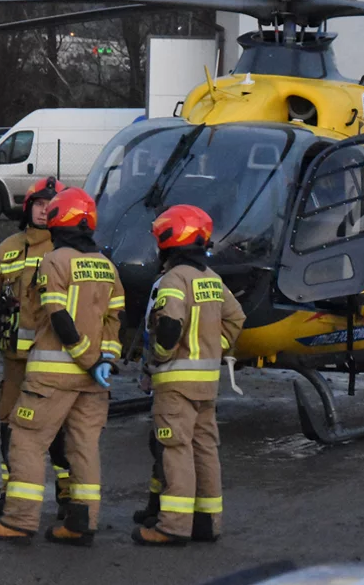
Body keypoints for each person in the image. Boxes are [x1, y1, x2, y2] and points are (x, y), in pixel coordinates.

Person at [0, 187, 125, 547]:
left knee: (26, 441)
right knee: (84, 448)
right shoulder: (107, 266)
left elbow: (57, 316)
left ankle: (19, 521)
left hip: (53, 375)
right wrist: (105, 362)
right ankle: (81, 522)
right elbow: (114, 321)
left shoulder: (54, 262)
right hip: (92, 382)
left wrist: (87, 358)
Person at [131, 204, 246, 546]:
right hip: (206, 383)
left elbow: (168, 328)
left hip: (176, 384)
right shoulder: (212, 279)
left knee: (175, 449)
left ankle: (173, 526)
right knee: (205, 449)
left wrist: (158, 359)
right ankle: (207, 523)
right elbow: (236, 318)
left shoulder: (173, 279)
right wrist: (213, 347)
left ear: (170, 240)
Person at [0, 177, 75, 518]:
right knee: (10, 423)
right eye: (39, 204)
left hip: (55, 359)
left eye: (51, 205)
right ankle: (10, 490)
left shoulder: (66, 250)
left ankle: (67, 492)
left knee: (59, 427)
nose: (45, 211)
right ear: (28, 207)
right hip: (14, 357)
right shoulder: (8, 248)